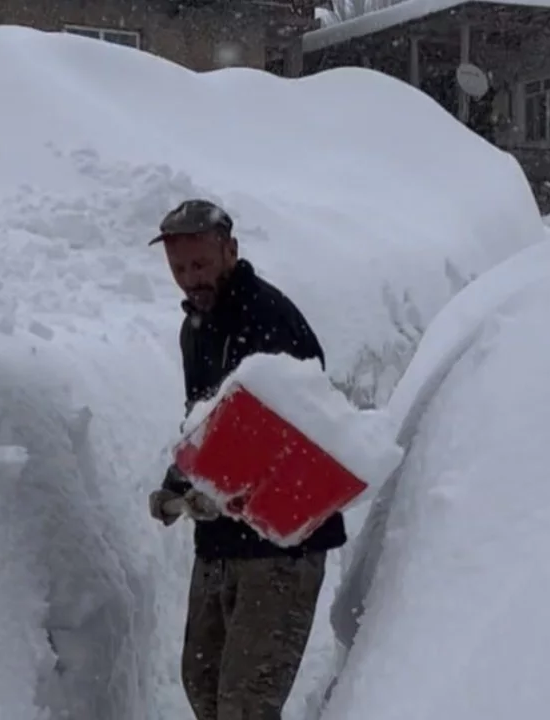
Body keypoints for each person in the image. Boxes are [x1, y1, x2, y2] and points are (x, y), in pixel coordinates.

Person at [145, 199, 347, 720]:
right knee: (203, 685)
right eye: (180, 268)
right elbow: (205, 422)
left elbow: (305, 433)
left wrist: (226, 487)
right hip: (219, 542)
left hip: (283, 543)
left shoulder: (271, 323)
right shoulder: (196, 329)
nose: (190, 279)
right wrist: (179, 483)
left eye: (200, 264)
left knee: (245, 705)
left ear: (230, 251)